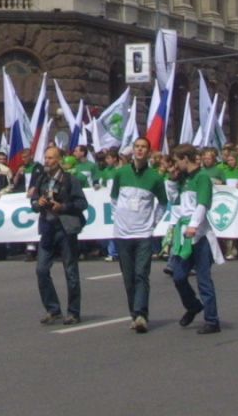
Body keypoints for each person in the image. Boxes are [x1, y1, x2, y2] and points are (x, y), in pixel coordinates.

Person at [107, 139, 167, 331]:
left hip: (143, 234)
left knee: (142, 274)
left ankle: (141, 314)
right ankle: (134, 313)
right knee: (129, 276)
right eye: (137, 147)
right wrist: (121, 218)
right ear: (133, 151)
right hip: (122, 234)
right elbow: (114, 199)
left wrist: (153, 223)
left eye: (143, 147)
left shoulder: (155, 178)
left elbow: (163, 203)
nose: (140, 150)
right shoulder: (121, 174)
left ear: (148, 152)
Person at [28, 144, 85, 324]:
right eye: (46, 158)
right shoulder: (41, 179)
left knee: (70, 271)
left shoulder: (70, 180)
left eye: (51, 158)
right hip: (48, 228)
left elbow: (82, 204)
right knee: (41, 270)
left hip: (65, 229)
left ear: (59, 160)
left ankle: (73, 312)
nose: (47, 161)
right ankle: (53, 309)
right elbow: (34, 202)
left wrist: (64, 207)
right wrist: (39, 203)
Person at [165, 148, 220, 333]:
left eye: (177, 161)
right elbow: (172, 199)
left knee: (204, 279)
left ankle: (212, 320)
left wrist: (194, 225)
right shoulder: (183, 179)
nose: (176, 165)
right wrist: (172, 179)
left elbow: (202, 203)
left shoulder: (201, 177)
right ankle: (193, 305)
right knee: (179, 276)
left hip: (199, 235)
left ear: (185, 158)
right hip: (184, 235)